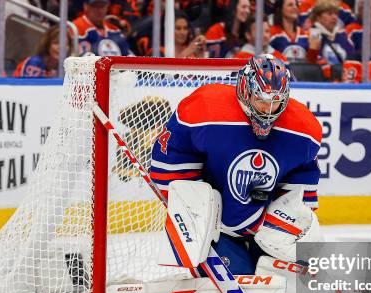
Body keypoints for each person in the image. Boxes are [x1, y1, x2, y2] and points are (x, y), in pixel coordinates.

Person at [150, 54, 321, 276]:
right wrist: (195, 213)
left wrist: (288, 219)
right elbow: (169, 168)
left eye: (276, 101)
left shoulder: (304, 130)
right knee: (237, 287)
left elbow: (302, 188)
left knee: (289, 289)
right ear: (244, 90)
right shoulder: (205, 111)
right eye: (261, 100)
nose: (268, 109)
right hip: (214, 225)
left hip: (264, 220)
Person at [306, 0, 354, 68]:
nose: (334, 17)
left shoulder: (344, 36)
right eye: (330, 13)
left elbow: (351, 60)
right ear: (318, 17)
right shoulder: (310, 35)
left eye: (336, 14)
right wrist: (313, 50)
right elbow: (310, 66)